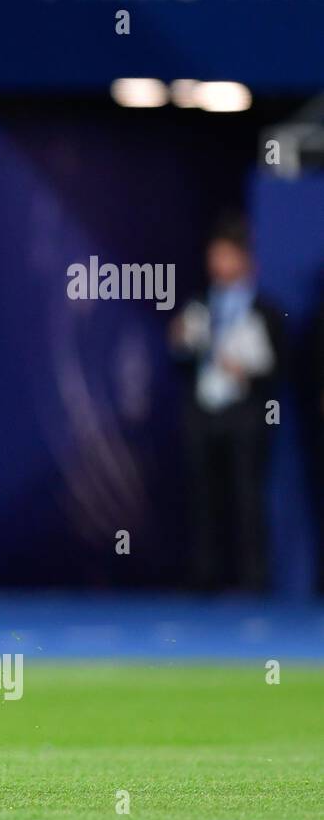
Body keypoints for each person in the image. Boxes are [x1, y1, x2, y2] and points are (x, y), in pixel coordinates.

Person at [170, 220, 283, 591]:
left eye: (226, 254)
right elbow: (181, 359)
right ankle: (206, 578)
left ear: (245, 259)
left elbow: (279, 366)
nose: (218, 263)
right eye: (213, 255)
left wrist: (249, 372)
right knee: (204, 498)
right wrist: (180, 341)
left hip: (246, 415)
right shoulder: (200, 305)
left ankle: (253, 580)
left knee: (247, 497)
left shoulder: (264, 310)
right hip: (203, 414)